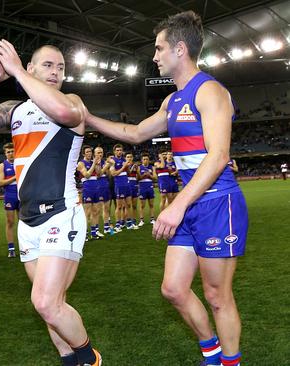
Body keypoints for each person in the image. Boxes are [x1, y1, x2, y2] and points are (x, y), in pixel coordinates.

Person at [85, 11, 247, 366]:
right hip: (190, 205)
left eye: (159, 49)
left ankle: (231, 363)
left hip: (218, 203)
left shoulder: (211, 91)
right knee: (173, 289)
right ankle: (212, 353)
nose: (154, 56)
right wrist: (87, 118)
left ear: (179, 49)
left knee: (217, 296)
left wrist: (176, 206)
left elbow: (218, 156)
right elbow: (135, 133)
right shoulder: (172, 101)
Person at [0, 41, 101, 365]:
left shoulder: (71, 101)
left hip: (61, 215)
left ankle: (90, 358)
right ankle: (70, 360)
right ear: (33, 68)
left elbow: (63, 114)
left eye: (61, 67)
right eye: (48, 65)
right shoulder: (15, 110)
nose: (56, 72)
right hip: (28, 222)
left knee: (46, 302)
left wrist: (18, 72)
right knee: (53, 306)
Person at [0, 142, 20, 256]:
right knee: (10, 222)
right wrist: (16, 177)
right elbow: (0, 182)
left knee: (23, 222)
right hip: (10, 195)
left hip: (22, 193)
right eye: (8, 152)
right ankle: (11, 249)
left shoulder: (21, 163)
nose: (11, 154)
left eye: (12, 151)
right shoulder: (2, 166)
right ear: (5, 154)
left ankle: (24, 246)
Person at [77, 145, 102, 240]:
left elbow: (99, 174)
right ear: (83, 153)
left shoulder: (93, 162)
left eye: (90, 152)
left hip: (96, 187)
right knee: (86, 213)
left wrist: (98, 164)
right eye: (87, 152)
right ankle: (85, 234)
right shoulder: (81, 163)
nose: (89, 153)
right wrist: (93, 164)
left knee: (96, 211)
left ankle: (94, 233)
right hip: (87, 189)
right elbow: (86, 175)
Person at [108, 144, 133, 231]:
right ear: (114, 151)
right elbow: (113, 174)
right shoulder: (112, 161)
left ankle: (128, 223)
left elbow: (129, 172)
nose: (119, 152)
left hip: (126, 183)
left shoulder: (124, 160)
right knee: (119, 206)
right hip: (119, 185)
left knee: (129, 205)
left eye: (120, 150)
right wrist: (123, 166)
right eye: (117, 150)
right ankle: (118, 224)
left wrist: (128, 166)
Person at [95, 147, 113, 235]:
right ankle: (97, 229)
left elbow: (109, 176)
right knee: (97, 209)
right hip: (98, 187)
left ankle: (106, 227)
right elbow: (98, 175)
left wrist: (109, 168)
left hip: (106, 186)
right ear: (94, 154)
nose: (100, 154)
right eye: (98, 152)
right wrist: (106, 166)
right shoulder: (93, 163)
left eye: (101, 152)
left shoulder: (104, 162)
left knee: (106, 208)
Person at [137, 154, 156, 225]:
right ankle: (141, 220)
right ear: (142, 160)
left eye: (147, 159)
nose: (145, 160)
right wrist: (143, 175)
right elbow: (137, 178)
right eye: (144, 159)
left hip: (150, 186)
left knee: (151, 204)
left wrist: (149, 175)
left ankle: (152, 219)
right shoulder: (139, 167)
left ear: (149, 160)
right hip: (142, 186)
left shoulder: (152, 167)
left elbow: (155, 177)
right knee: (142, 205)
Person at [125, 152, 140, 230]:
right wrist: (131, 168)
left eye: (130, 157)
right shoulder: (124, 165)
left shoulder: (136, 166)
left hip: (134, 185)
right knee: (128, 205)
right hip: (127, 185)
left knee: (134, 206)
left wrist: (137, 171)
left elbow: (139, 177)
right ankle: (128, 222)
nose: (129, 158)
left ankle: (134, 221)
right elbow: (128, 174)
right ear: (125, 158)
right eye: (128, 157)